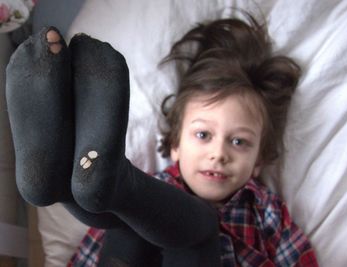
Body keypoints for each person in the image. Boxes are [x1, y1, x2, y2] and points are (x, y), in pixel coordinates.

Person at [6, 12, 319, 267]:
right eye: (203, 134)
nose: (218, 153)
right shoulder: (145, 194)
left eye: (239, 142)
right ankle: (57, 181)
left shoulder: (267, 213)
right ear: (175, 145)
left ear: (258, 162)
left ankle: (65, 186)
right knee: (131, 219)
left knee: (180, 223)